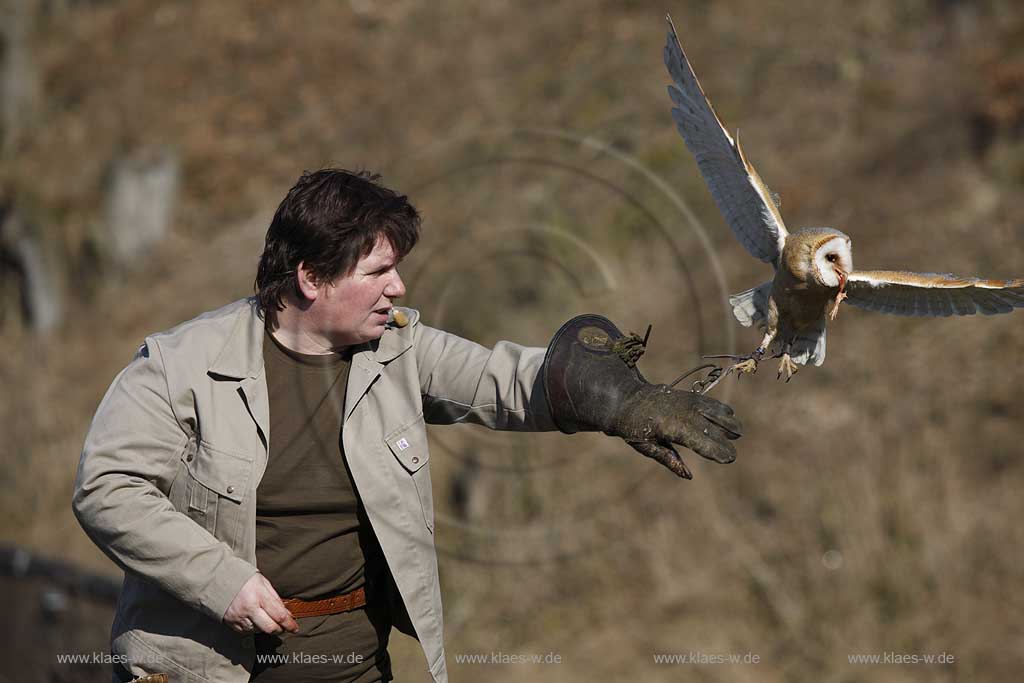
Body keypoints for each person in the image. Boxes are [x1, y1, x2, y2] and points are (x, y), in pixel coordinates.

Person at [73, 169, 742, 683]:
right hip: (209, 670)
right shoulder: (179, 364)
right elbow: (106, 488)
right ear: (310, 278)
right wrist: (222, 581)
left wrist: (617, 399)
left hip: (357, 667)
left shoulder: (397, 348)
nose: (398, 287)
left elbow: (500, 383)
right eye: (378, 271)